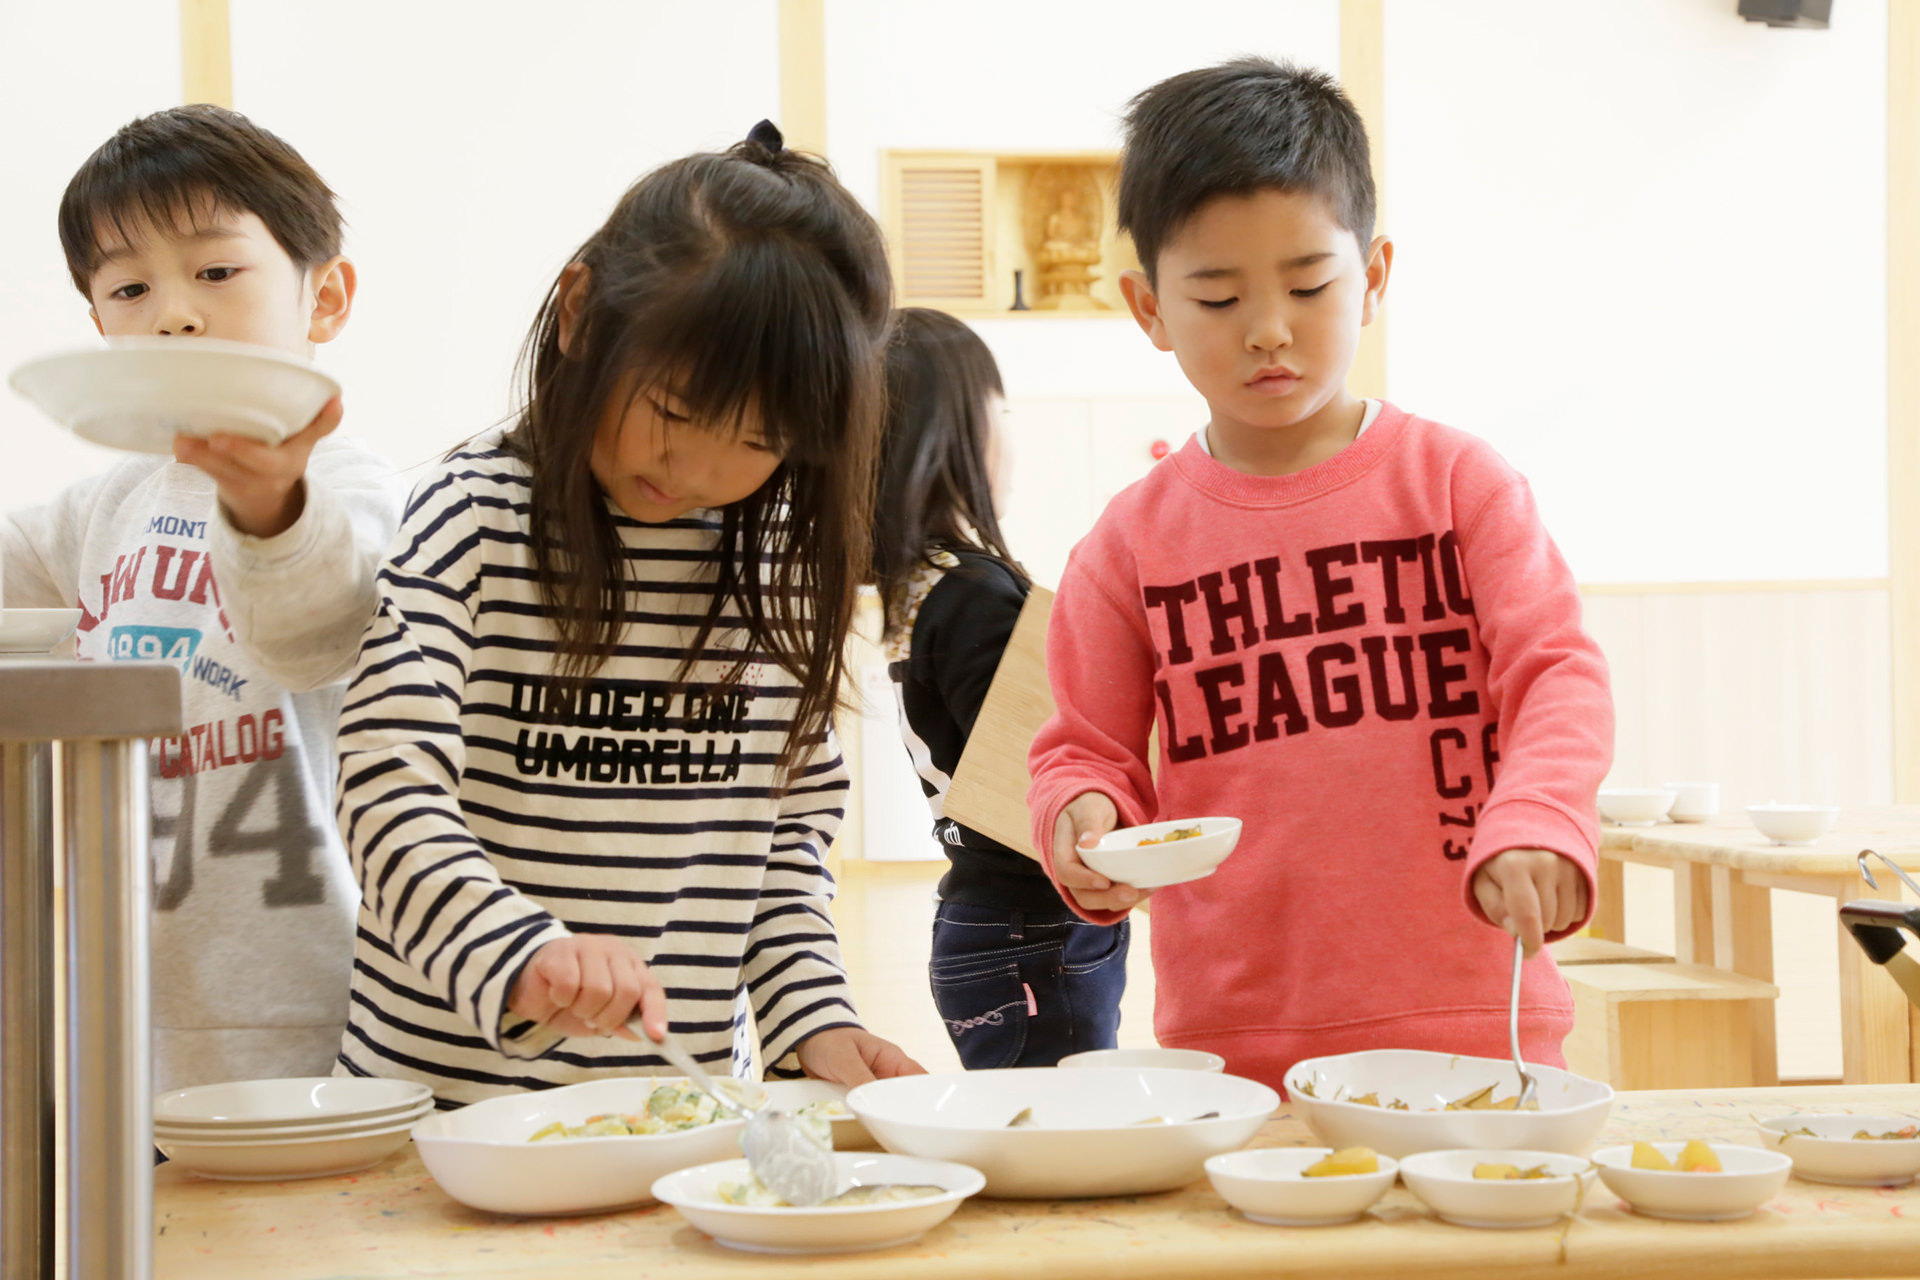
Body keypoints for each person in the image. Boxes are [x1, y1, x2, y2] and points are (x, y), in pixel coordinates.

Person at [1025, 60, 1614, 1091]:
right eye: (1217, 294)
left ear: (1375, 276)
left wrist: (1539, 816)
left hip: (1474, 1025)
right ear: (1148, 306)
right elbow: (1087, 749)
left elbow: (1556, 672)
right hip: (1237, 1054)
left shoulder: (1459, 485)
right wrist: (1082, 818)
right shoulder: (1127, 545)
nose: (1268, 328)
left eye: (1308, 285)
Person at [334, 122, 925, 1104]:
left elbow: (782, 846)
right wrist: (515, 947)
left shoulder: (770, 563)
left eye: (758, 439)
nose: (694, 471)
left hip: (672, 1116)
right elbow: (386, 785)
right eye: (676, 409)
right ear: (579, 312)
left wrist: (814, 1015)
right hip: (434, 1109)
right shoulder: (467, 521)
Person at [0, 105, 401, 1093]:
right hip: (139, 996)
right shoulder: (106, 503)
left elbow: (318, 623)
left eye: (216, 272)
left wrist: (270, 502)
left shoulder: (350, 488)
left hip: (314, 988)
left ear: (325, 299)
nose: (175, 311)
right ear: (101, 329)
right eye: (130, 287)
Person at [873, 308, 1127, 1068]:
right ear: (948, 430)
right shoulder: (975, 591)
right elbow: (1037, 774)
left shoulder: (925, 583)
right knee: (1064, 1138)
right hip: (1034, 930)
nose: (1010, 435)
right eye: (1001, 410)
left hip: (990, 919)